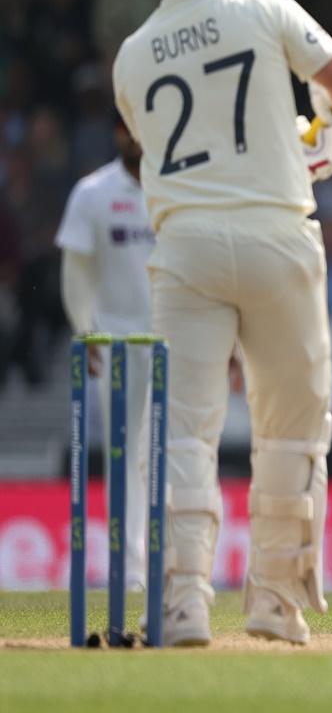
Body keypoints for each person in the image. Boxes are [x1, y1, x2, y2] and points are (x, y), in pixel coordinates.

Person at [111, 0, 332, 646]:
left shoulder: (130, 56)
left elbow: (186, 145)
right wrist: (326, 133)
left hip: (185, 245)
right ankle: (274, 602)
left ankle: (183, 604)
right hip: (275, 237)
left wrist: (288, 144)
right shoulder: (266, 8)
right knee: (290, 429)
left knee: (185, 433)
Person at [55, 115, 155, 591]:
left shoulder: (183, 188)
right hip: (117, 343)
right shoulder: (93, 193)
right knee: (126, 458)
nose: (138, 137)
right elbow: (76, 270)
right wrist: (83, 330)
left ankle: (180, 569)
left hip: (175, 343)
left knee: (180, 454)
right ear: (118, 133)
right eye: (130, 128)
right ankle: (133, 572)